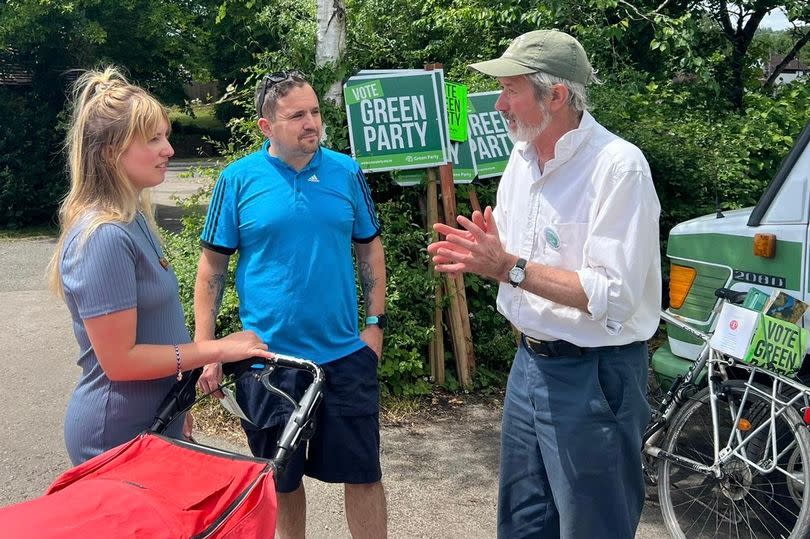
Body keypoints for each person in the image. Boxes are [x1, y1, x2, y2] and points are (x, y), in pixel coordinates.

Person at [428, 30, 661, 539]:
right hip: (529, 367)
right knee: (523, 526)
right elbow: (516, 262)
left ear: (555, 96)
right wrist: (488, 256)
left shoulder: (618, 167)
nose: (498, 102)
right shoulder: (522, 159)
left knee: (593, 527)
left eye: (511, 88)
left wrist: (508, 266)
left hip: (595, 375)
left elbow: (611, 295)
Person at [194, 70, 388, 539]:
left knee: (363, 473)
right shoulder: (237, 180)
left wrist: (375, 324)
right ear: (266, 126)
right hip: (268, 360)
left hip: (343, 354)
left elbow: (370, 249)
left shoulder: (346, 171)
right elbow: (211, 268)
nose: (311, 123)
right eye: (297, 115)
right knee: (281, 480)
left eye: (316, 111)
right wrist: (205, 348)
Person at [47, 67, 273, 466]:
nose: (168, 149)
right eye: (153, 139)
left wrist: (179, 403)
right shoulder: (104, 235)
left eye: (165, 136)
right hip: (114, 434)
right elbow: (121, 361)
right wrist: (216, 349)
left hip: (157, 419)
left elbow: (157, 331)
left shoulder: (134, 218)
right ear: (110, 151)